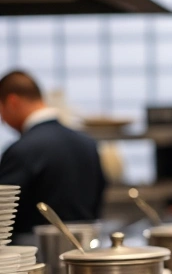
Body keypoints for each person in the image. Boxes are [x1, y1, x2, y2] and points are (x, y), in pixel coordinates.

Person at [0, 71, 107, 236]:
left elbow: (4, 215)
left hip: (35, 253)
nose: (2, 119)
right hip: (86, 250)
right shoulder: (88, 143)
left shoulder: (22, 150)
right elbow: (99, 196)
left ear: (12, 102)